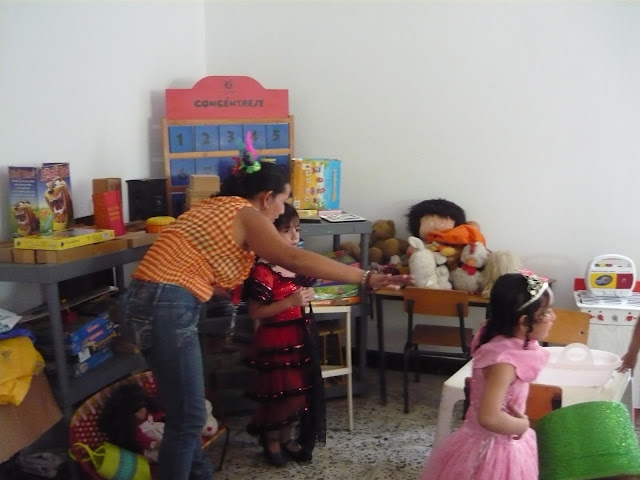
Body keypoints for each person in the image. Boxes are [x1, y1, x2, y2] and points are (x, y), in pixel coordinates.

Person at [121, 135, 413, 480]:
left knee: (188, 412)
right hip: (167, 305)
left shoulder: (211, 209)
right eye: (283, 200)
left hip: (145, 302)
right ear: (266, 198)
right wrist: (365, 277)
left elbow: (197, 270)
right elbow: (293, 258)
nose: (281, 210)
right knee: (187, 419)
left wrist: (225, 297)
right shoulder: (245, 212)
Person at [419, 271, 554, 480]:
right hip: (492, 450)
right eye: (546, 313)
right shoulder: (505, 363)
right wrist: (523, 425)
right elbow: (489, 417)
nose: (553, 317)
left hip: (493, 441)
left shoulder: (497, 339)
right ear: (523, 322)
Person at [244, 203, 322, 466]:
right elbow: (256, 311)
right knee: (279, 394)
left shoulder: (294, 264)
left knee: (297, 393)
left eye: (297, 229)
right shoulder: (264, 270)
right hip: (276, 339)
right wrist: (290, 302)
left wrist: (306, 295)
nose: (294, 236)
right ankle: (271, 439)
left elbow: (301, 293)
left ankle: (286, 437)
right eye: (287, 230)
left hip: (299, 335)